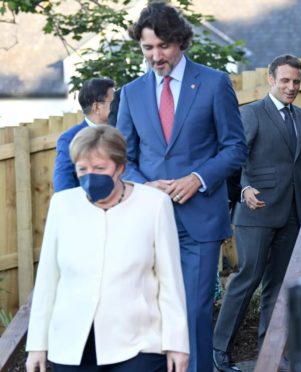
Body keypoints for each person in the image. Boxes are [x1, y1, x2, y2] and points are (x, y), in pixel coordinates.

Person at [115, 3, 247, 371]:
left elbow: (236, 147)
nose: (156, 56)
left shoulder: (214, 82)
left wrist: (198, 178)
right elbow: (123, 158)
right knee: (149, 313)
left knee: (193, 310)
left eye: (163, 46)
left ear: (181, 42)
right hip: (148, 220)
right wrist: (144, 186)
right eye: (148, 48)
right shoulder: (131, 93)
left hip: (200, 221)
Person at [25, 126, 189, 372]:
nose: (91, 176)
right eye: (83, 169)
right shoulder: (62, 205)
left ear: (120, 167)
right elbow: (48, 279)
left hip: (139, 345)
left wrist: (177, 343)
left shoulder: (154, 205)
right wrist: (36, 345)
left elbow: (170, 281)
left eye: (100, 169)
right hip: (72, 347)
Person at [212, 54, 301, 371]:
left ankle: (271, 351)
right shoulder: (251, 114)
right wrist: (241, 191)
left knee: (278, 287)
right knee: (246, 280)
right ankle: (219, 350)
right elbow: (230, 160)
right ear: (271, 80)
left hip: (292, 213)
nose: (291, 87)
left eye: (296, 82)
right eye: (285, 81)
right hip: (256, 213)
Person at [53, 78, 115, 192]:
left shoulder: (119, 132)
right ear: (97, 107)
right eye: (113, 102)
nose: (117, 106)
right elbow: (63, 185)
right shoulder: (70, 138)